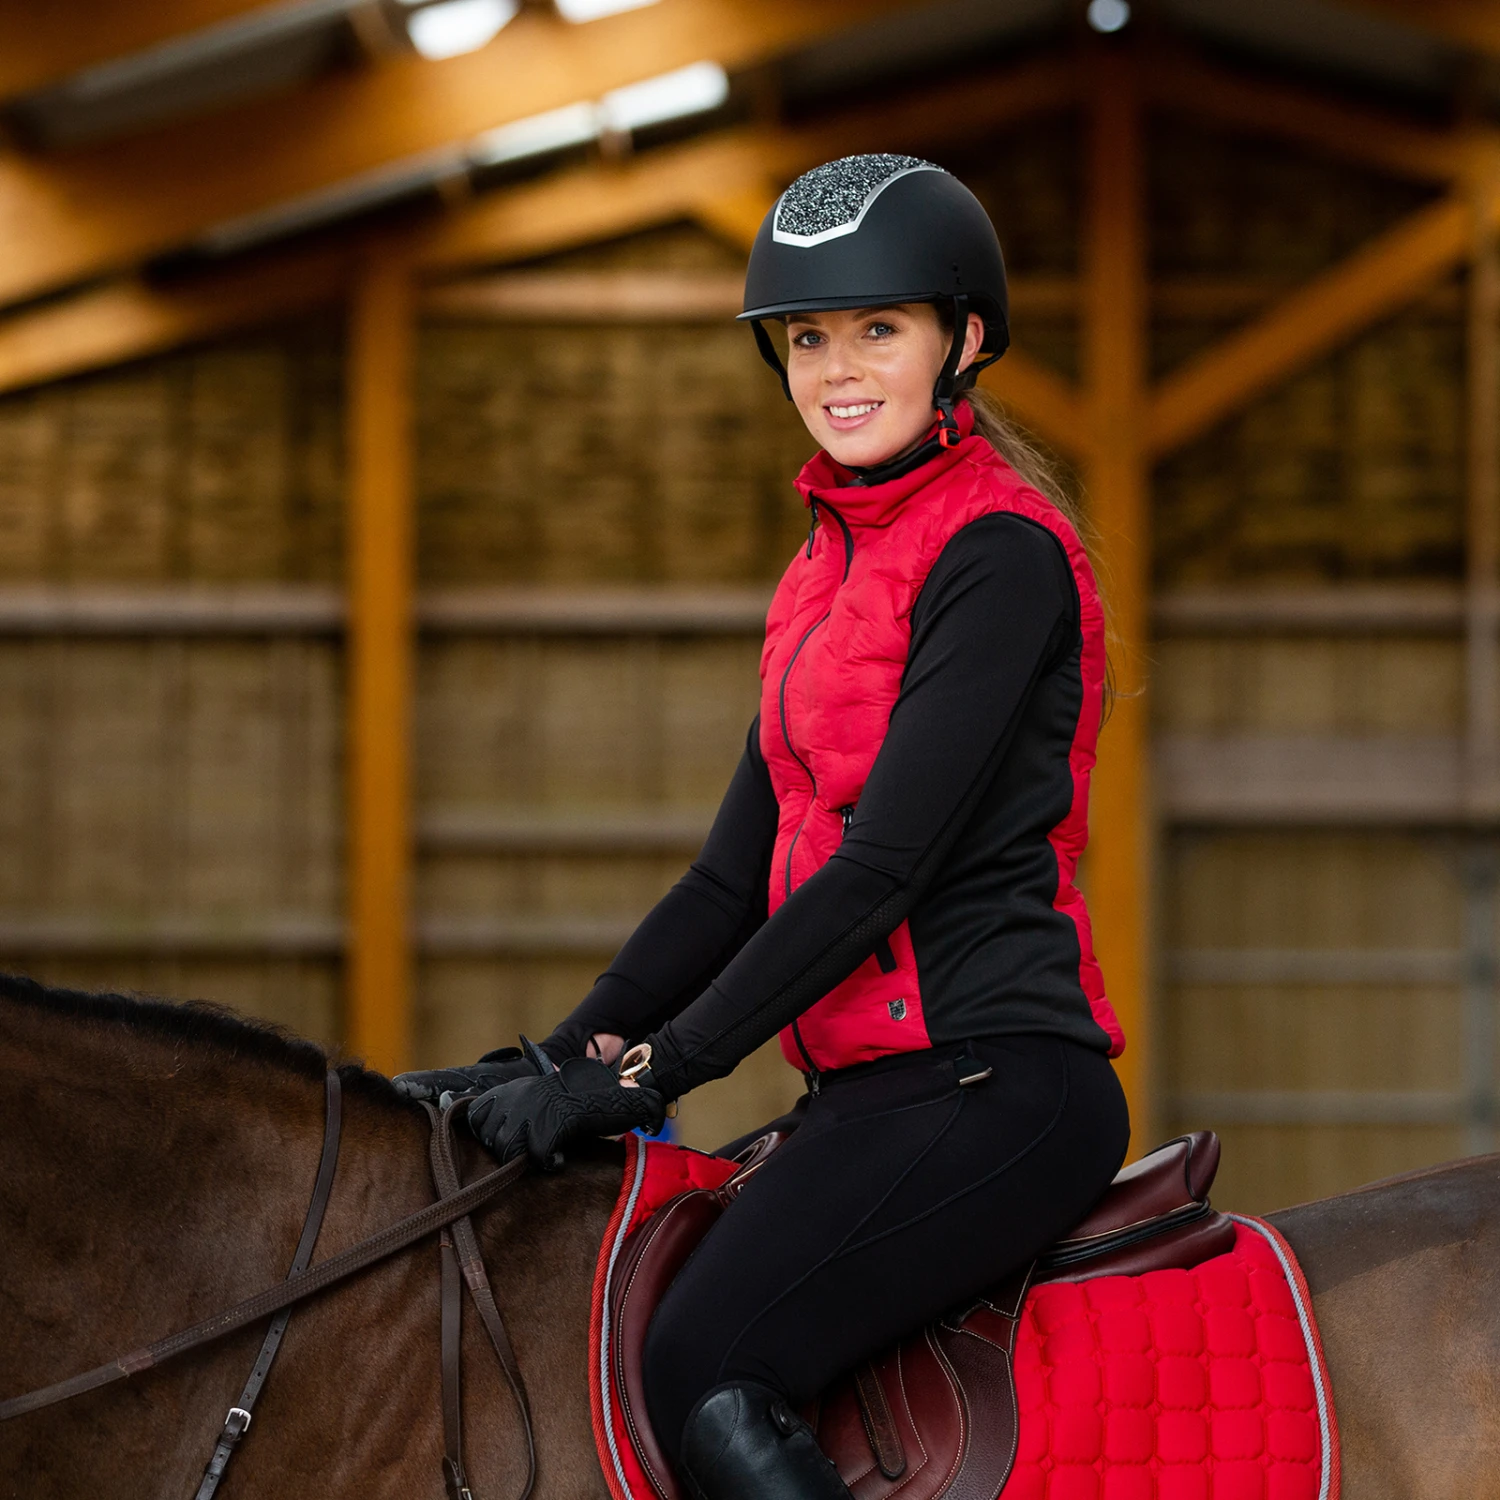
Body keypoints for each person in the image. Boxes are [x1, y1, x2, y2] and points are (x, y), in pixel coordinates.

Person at [396, 154, 1130, 1500]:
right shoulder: (821, 577)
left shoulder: (1000, 554)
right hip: (866, 1091)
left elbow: (881, 872)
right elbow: (729, 878)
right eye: (807, 337)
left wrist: (654, 1074)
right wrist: (556, 1055)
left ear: (962, 341)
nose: (837, 368)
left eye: (878, 329)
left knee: (702, 1363)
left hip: (996, 1083)